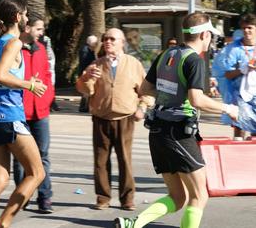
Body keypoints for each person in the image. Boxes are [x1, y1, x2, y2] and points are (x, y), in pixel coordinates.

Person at [114, 12, 238, 228]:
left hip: (158, 132)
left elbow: (145, 89)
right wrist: (228, 108)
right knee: (200, 195)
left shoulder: (166, 54)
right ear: (205, 35)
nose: (211, 41)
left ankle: (133, 224)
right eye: (211, 36)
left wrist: (156, 100)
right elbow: (196, 99)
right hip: (179, 133)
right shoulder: (194, 61)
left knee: (178, 197)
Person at [0, 0, 47, 228]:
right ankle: (2, 224)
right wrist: (30, 85)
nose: (27, 18)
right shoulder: (14, 43)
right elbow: (1, 76)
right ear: (17, 17)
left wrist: (24, 80)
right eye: (25, 14)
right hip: (9, 116)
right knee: (37, 174)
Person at [76, 28, 153, 211]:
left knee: (125, 160)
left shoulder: (133, 64)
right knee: (100, 161)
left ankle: (127, 199)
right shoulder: (96, 65)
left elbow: (147, 91)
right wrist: (87, 78)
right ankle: (103, 198)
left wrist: (142, 107)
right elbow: (84, 90)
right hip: (101, 118)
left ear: (122, 42)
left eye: (112, 39)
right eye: (105, 39)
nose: (108, 42)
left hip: (125, 117)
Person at [13, 13, 55, 213]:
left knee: (43, 156)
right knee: (21, 159)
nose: (42, 33)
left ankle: (45, 197)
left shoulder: (40, 49)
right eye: (38, 29)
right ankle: (23, 194)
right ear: (27, 28)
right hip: (20, 112)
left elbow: (47, 75)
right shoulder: (13, 48)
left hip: (41, 112)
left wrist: (47, 99)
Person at [216, 13, 256, 140]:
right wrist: (242, 69)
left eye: (250, 27)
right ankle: (238, 154)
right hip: (240, 96)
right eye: (244, 28)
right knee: (239, 128)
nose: (246, 31)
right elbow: (227, 75)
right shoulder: (233, 48)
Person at [78, 35, 98, 112]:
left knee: (87, 90)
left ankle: (86, 106)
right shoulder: (85, 50)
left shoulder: (90, 49)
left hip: (87, 71)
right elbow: (84, 62)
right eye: (95, 42)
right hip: (86, 72)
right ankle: (83, 107)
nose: (96, 44)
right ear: (91, 42)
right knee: (86, 90)